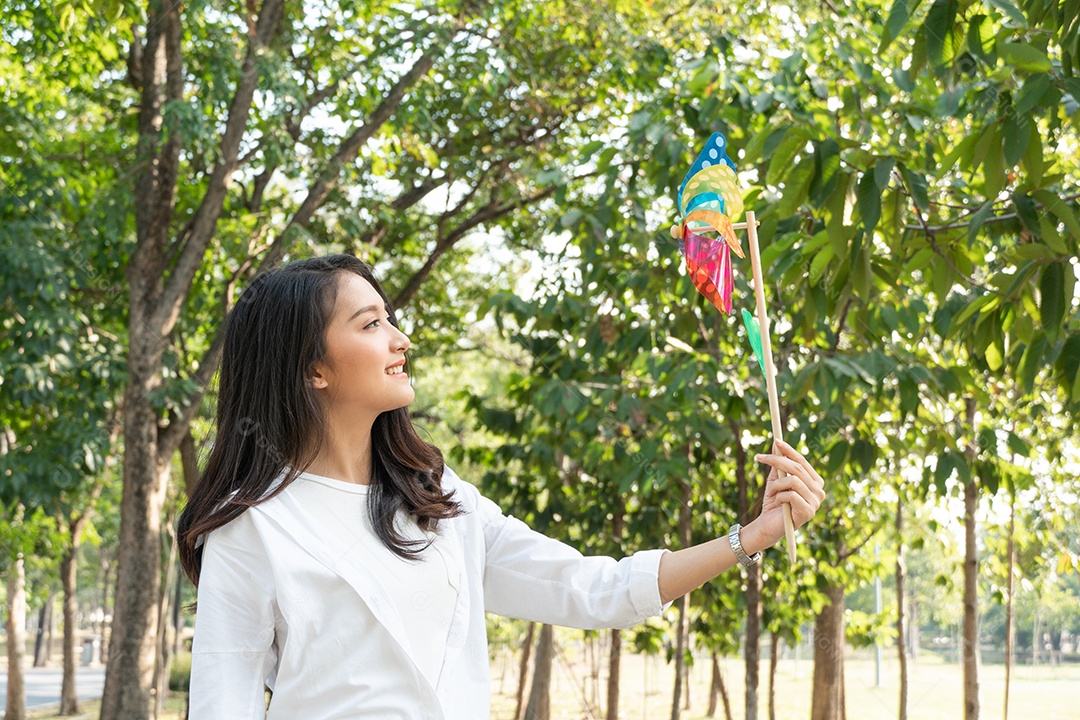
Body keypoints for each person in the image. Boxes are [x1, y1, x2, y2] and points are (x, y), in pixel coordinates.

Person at [177, 254, 825, 719]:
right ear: (313, 368)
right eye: (371, 324)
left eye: (391, 319)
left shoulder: (436, 500)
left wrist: (750, 538)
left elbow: (590, 590)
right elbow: (219, 704)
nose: (402, 340)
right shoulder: (252, 526)